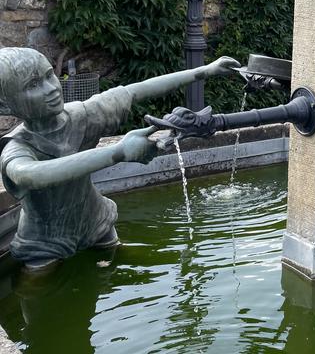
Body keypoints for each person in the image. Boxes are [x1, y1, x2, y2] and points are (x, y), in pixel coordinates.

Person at [0, 47, 239, 270]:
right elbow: (31, 175)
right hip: (43, 243)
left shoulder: (82, 115)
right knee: (39, 299)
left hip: (96, 223)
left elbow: (136, 90)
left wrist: (206, 70)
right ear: (4, 104)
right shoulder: (18, 146)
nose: (50, 88)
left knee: (109, 273)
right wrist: (119, 152)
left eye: (49, 75)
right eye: (32, 85)